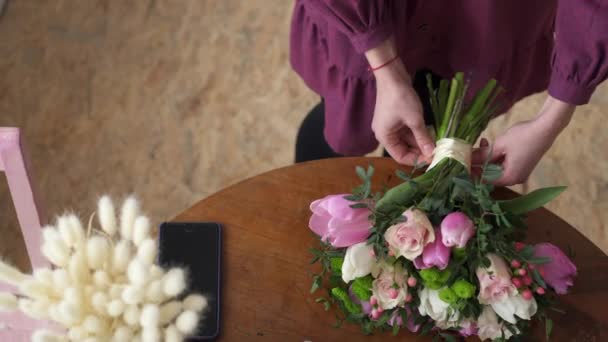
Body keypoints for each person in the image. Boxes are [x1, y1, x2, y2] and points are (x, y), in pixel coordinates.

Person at [290, 0, 607, 186]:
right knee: (343, 122)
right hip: (374, 10)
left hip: (489, 19)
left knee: (431, 135)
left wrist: (551, 120)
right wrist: (383, 64)